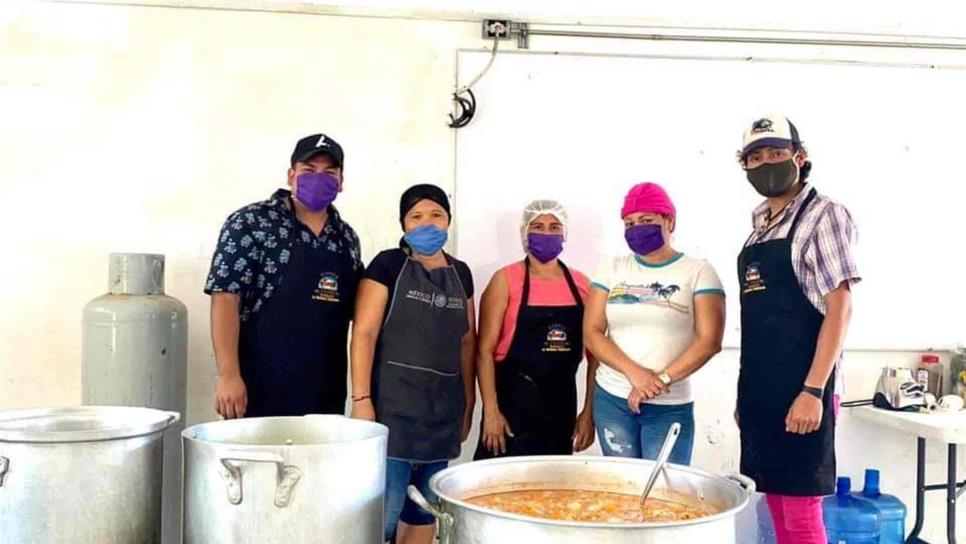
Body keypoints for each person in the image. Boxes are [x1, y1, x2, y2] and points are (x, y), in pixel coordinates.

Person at [735, 115, 859, 544]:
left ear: (799, 157)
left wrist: (812, 391)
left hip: (805, 389)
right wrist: (746, 400)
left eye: (776, 152)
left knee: (802, 510)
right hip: (762, 393)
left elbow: (839, 307)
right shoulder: (758, 230)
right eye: (755, 157)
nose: (766, 162)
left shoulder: (823, 215)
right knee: (776, 503)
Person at [349, 184, 476, 544]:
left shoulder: (461, 273)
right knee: (382, 516)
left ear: (448, 219)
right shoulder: (387, 264)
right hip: (392, 409)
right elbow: (364, 334)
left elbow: (468, 342)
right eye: (416, 216)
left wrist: (468, 404)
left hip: (442, 411)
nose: (427, 223)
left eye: (436, 214)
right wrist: (361, 400)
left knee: (425, 510)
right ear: (403, 223)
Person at [204, 133, 362, 418]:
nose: (319, 177)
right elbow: (225, 298)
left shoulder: (346, 238)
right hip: (257, 391)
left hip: (326, 398)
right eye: (309, 170)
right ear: (291, 175)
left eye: (329, 172)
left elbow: (359, 315)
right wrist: (228, 375)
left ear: (341, 181)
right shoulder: (250, 223)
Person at [583, 182, 725, 465]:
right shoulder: (612, 269)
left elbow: (709, 341)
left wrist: (659, 380)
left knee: (665, 493)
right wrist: (635, 374)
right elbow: (592, 332)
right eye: (629, 222)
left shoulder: (699, 271)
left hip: (669, 405)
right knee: (622, 489)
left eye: (646, 220)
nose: (637, 228)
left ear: (669, 221)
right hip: (612, 399)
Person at [473, 200, 598, 459]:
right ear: (524, 233)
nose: (547, 233)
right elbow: (483, 351)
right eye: (538, 226)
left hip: (561, 407)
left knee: (551, 492)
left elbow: (597, 356)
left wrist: (589, 412)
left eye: (555, 227)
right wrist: (491, 412)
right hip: (511, 408)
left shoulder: (582, 284)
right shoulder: (505, 280)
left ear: (565, 234)